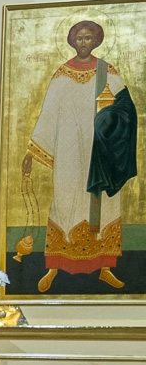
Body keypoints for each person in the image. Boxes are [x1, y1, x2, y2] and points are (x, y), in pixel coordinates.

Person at [22, 20, 137, 293]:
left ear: (96, 41)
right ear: (72, 41)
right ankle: (53, 267)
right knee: (64, 201)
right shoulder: (62, 75)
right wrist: (31, 152)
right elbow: (48, 114)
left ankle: (105, 268)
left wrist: (109, 123)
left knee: (104, 205)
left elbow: (127, 109)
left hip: (101, 153)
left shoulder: (107, 72)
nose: (83, 43)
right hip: (69, 152)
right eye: (79, 38)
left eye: (88, 38)